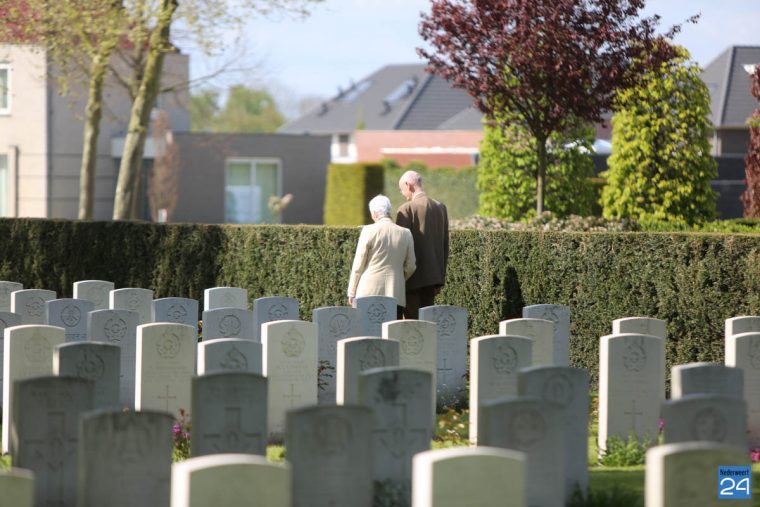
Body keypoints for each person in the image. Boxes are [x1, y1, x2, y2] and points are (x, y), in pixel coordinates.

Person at [347, 194, 416, 316]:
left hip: (368, 291)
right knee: (391, 333)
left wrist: (351, 292)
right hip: (395, 291)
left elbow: (358, 265)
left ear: (374, 213)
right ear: (389, 211)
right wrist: (399, 277)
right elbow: (411, 266)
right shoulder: (406, 233)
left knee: (367, 332)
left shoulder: (368, 231)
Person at [396, 170, 449, 319]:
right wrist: (440, 278)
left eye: (402, 189)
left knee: (413, 328)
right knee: (428, 326)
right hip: (433, 278)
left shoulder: (406, 209)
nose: (402, 193)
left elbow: (401, 248)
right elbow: (445, 244)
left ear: (408, 185)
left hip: (411, 280)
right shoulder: (441, 207)